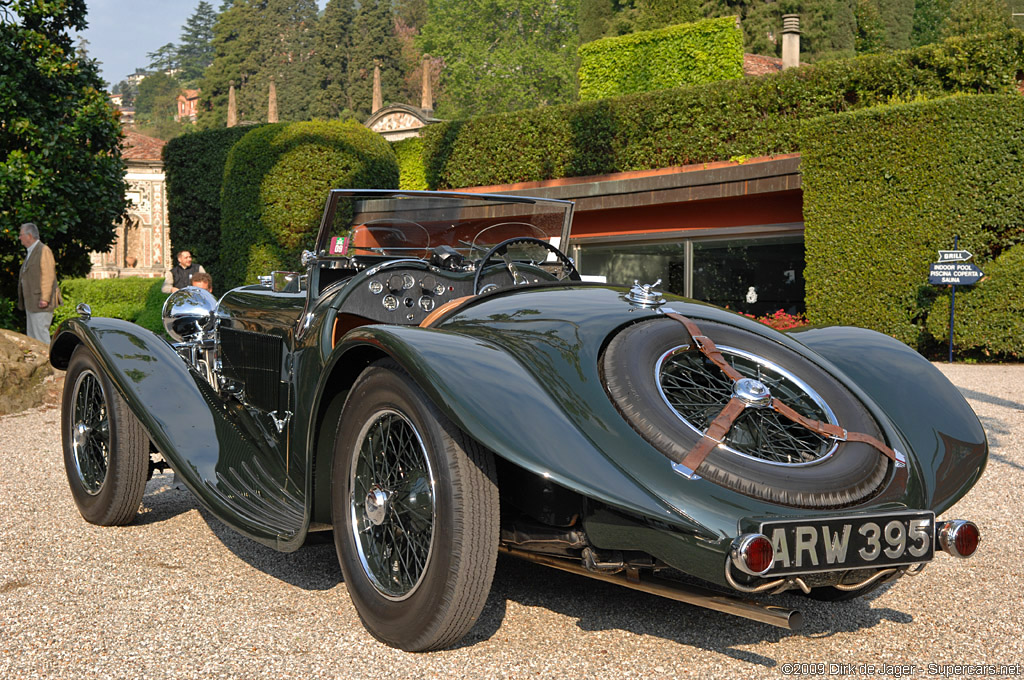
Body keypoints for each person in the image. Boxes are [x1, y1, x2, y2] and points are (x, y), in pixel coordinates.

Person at [17, 222, 60, 344]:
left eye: (21, 235)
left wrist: (45, 298)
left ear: (29, 235)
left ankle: (47, 361)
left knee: (40, 336)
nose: (20, 238)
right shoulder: (32, 251)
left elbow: (48, 275)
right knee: (33, 337)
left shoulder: (43, 250)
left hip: (40, 302)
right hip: (32, 302)